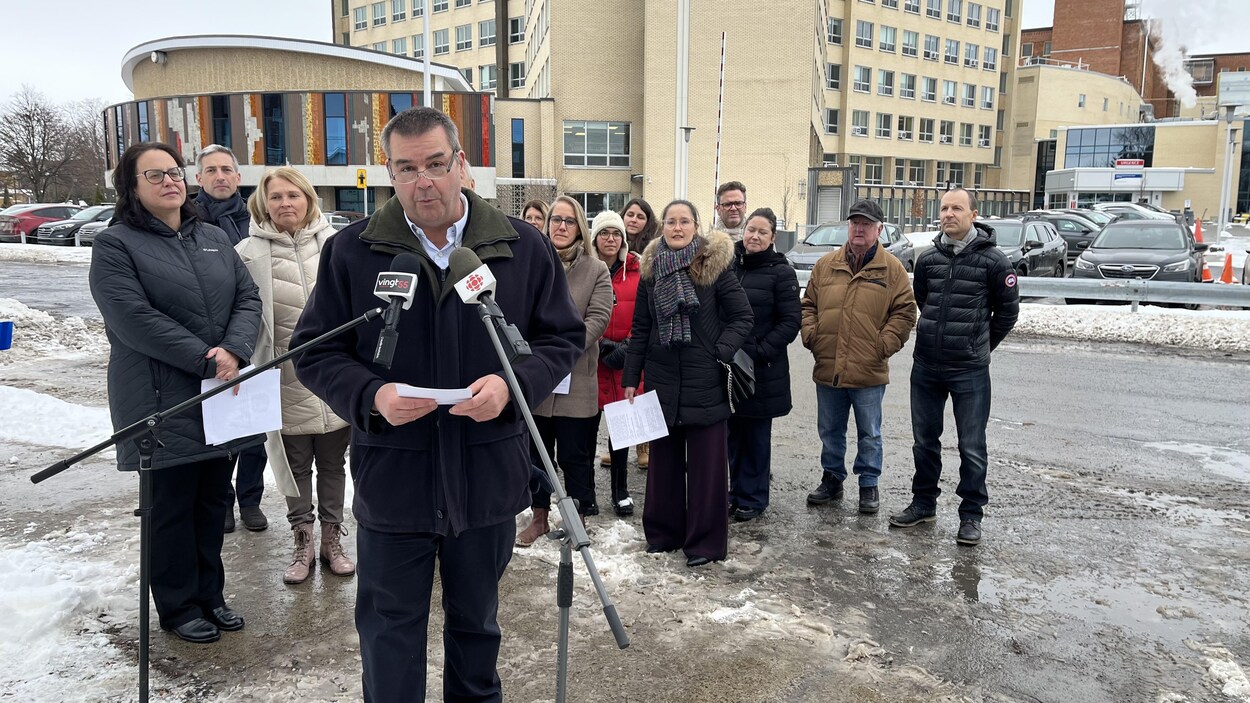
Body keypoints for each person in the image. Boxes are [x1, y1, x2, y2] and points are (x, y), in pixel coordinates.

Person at [290, 107, 583, 702]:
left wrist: (513, 386)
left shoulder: (520, 247)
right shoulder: (354, 251)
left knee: (477, 629)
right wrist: (370, 395)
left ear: (461, 166)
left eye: (435, 164)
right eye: (406, 168)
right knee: (388, 632)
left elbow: (561, 340)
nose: (423, 181)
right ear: (389, 174)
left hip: (487, 476)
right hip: (394, 479)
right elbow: (314, 353)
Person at [89, 142, 262, 644]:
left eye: (173, 172)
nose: (169, 182)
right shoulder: (115, 245)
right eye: (154, 175)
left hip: (217, 391)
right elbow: (131, 318)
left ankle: (211, 595)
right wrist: (208, 358)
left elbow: (246, 297)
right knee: (170, 508)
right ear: (133, 188)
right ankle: (177, 605)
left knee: (212, 501)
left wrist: (234, 348)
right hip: (159, 396)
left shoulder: (210, 236)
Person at [236, 167, 354, 584]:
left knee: (334, 464)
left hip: (335, 374)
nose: (285, 203)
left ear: (308, 199)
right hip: (281, 376)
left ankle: (331, 540)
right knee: (293, 464)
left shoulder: (337, 245)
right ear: (263, 202)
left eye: (293, 195)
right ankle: (302, 541)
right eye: (276, 197)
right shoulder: (247, 252)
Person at [622, 201, 753, 568]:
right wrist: (631, 379)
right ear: (662, 227)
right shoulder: (651, 271)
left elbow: (743, 317)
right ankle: (663, 535)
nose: (677, 228)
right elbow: (641, 330)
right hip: (662, 382)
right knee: (662, 467)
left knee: (706, 470)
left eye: (684, 222)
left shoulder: (713, 267)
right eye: (671, 222)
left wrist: (719, 352)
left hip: (705, 381)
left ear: (697, 226)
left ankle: (705, 544)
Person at [889, 187, 1018, 546]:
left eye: (957, 208)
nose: (949, 214)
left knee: (971, 446)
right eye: (944, 208)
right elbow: (923, 300)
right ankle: (924, 504)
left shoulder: (995, 262)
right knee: (924, 442)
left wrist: (980, 345)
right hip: (927, 366)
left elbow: (1007, 312)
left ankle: (971, 515)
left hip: (969, 370)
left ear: (973, 214)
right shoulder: (928, 259)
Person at [802, 199, 917, 515]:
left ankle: (868, 484)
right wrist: (812, 335)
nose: (859, 229)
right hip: (829, 365)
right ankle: (832, 479)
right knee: (830, 429)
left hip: (868, 368)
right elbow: (808, 305)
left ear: (879, 229)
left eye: (866, 224)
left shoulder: (891, 268)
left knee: (870, 431)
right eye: (854, 223)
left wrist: (882, 346)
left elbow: (905, 312)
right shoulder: (826, 265)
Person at [515, 196, 612, 546]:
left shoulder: (596, 269)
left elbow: (598, 318)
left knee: (576, 456)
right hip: (538, 377)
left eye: (569, 221)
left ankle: (577, 520)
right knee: (537, 454)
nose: (561, 226)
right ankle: (538, 518)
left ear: (580, 227)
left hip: (576, 378)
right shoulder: (532, 263)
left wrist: (561, 350)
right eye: (556, 219)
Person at [193, 143, 268, 533]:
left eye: (227, 170)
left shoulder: (256, 218)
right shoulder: (189, 221)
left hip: (256, 334)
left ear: (239, 178)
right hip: (214, 340)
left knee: (255, 428)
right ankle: (221, 502)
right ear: (199, 178)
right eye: (211, 170)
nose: (220, 176)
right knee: (220, 428)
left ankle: (250, 499)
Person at [727, 208, 801, 522]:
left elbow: (790, 322)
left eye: (762, 232)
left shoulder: (781, 272)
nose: (754, 236)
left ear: (772, 238)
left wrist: (758, 351)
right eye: (750, 230)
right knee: (731, 435)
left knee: (756, 437)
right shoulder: (729, 266)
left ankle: (753, 498)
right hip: (728, 365)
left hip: (762, 369)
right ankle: (731, 493)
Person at [590, 209, 644, 517]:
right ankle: (585, 493)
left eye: (616, 234)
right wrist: (598, 345)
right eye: (605, 233)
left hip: (626, 362)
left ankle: (620, 491)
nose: (611, 239)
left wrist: (626, 348)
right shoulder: (585, 267)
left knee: (623, 433)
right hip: (592, 361)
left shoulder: (637, 271)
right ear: (595, 238)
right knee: (585, 432)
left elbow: (646, 316)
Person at [608, 197, 658, 471]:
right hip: (613, 335)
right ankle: (618, 446)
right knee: (614, 395)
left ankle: (644, 445)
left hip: (638, 335)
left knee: (640, 392)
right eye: (630, 214)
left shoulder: (652, 250)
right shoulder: (610, 245)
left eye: (641, 216)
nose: (634, 220)